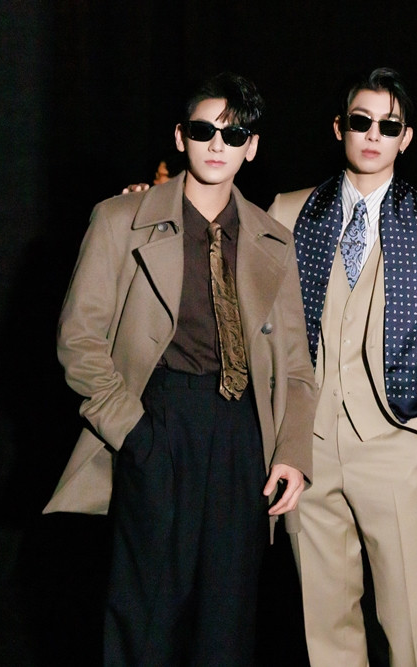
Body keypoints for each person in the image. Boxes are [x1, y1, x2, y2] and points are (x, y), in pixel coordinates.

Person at [43, 71, 318, 665]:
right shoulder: (120, 219)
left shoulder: (273, 237)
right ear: (179, 136)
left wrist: (292, 451)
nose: (218, 145)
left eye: (234, 134)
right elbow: (78, 340)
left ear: (252, 147)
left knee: (227, 624)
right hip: (159, 422)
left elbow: (296, 365)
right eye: (203, 130)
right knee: (145, 617)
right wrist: (135, 433)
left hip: (243, 438)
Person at [267, 67, 417, 667]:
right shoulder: (289, 211)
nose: (374, 134)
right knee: (325, 626)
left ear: (406, 138)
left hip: (398, 445)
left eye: (389, 125)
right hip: (309, 448)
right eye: (362, 121)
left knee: (411, 631)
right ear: (340, 128)